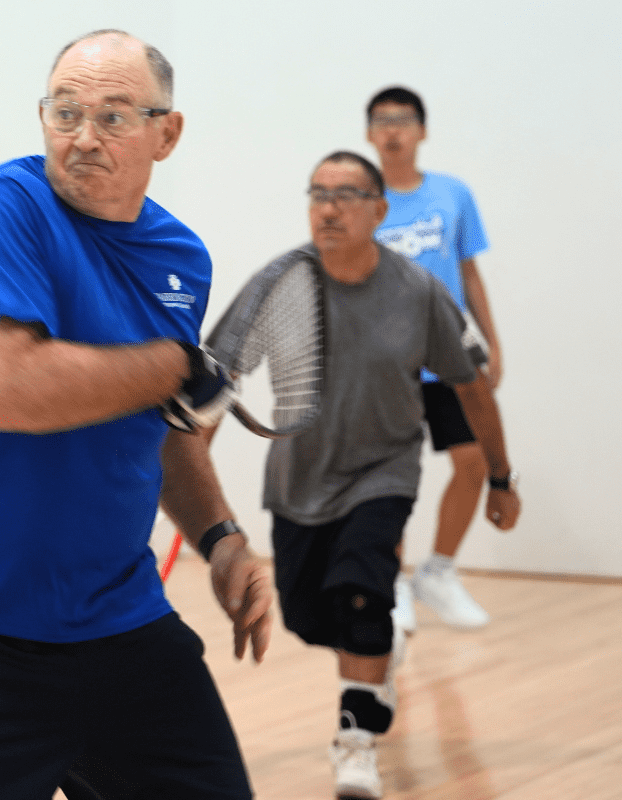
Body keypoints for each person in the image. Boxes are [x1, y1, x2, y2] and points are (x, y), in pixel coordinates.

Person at [0, 30, 273, 800]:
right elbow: (5, 388)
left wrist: (221, 538)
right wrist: (176, 366)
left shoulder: (182, 259)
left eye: (113, 117)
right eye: (65, 112)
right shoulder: (0, 208)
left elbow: (157, 428)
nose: (83, 138)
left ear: (166, 134)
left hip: (123, 629)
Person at [207, 152, 520, 799]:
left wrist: (499, 475)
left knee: (362, 592)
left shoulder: (417, 291)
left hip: (384, 473)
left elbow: (471, 387)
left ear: (379, 210)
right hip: (299, 481)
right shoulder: (279, 282)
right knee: (308, 618)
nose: (328, 208)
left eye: (345, 195)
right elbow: (215, 381)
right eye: (318, 194)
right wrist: (181, 476)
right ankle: (376, 654)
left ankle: (356, 744)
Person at [365, 85, 513, 632]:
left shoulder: (453, 194)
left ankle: (439, 572)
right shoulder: (361, 199)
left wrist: (492, 343)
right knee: (392, 479)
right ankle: (393, 583)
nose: (393, 130)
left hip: (449, 358)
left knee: (473, 463)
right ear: (369, 133)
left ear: (422, 130)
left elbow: (469, 272)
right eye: (382, 120)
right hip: (388, 364)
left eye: (403, 119)